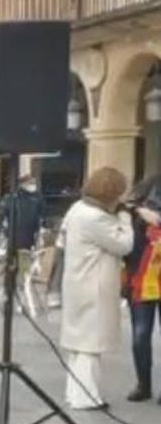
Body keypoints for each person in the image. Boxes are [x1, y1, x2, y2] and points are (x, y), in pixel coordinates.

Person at [61, 167, 141, 410]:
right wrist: (126, 220)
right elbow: (123, 245)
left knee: (78, 343)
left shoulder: (77, 209)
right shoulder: (95, 218)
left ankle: (74, 393)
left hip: (77, 282)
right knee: (90, 344)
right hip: (93, 286)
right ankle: (87, 397)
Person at [125, 177, 161, 402]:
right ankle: (143, 384)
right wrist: (137, 211)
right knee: (140, 334)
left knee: (140, 332)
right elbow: (118, 207)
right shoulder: (134, 212)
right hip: (141, 277)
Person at [0, 168, 47, 252]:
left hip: (30, 234)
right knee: (19, 257)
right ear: (22, 184)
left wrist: (43, 228)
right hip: (16, 235)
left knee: (26, 257)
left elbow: (43, 214)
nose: (33, 185)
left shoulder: (37, 197)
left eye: (33, 183)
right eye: (30, 183)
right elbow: (0, 215)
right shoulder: (12, 198)